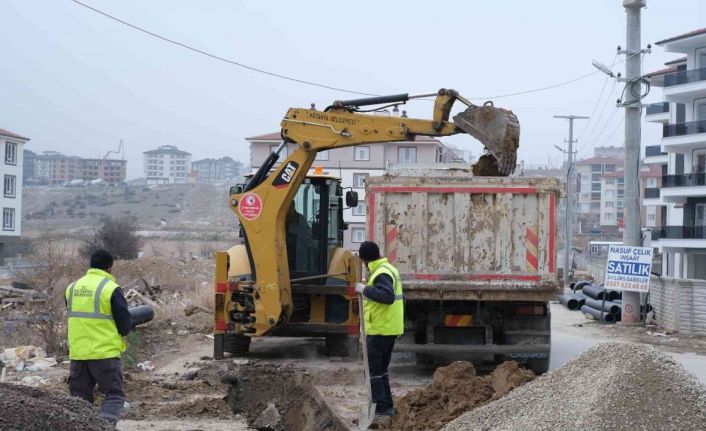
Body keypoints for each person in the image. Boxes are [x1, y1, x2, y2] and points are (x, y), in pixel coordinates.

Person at [65, 249, 132, 429]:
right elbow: (124, 324)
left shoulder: (72, 288)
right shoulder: (110, 288)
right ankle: (105, 427)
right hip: (104, 354)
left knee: (79, 399)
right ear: (110, 267)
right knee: (114, 394)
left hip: (78, 354)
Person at [355, 241, 404, 420]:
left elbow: (387, 297)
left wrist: (365, 290)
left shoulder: (381, 273)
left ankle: (381, 410)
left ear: (365, 259)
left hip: (380, 330)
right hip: (388, 328)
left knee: (375, 371)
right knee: (381, 370)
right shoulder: (387, 268)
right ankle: (387, 405)